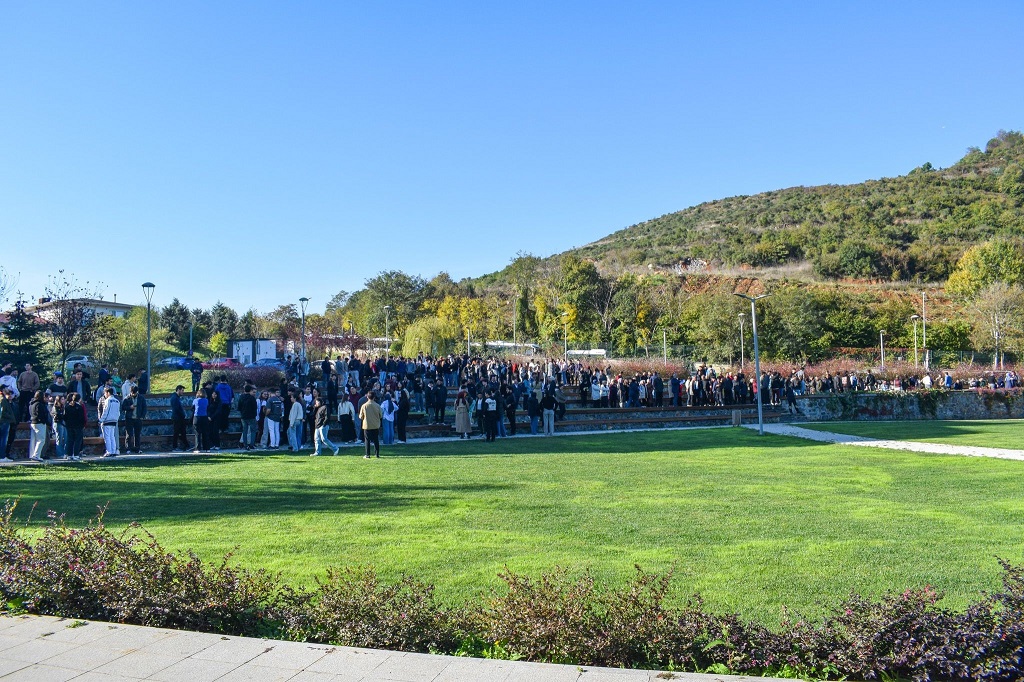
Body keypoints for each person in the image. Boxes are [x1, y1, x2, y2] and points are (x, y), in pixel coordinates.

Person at [358, 391, 382, 459]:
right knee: (376, 440)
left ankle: (367, 454)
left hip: (367, 425)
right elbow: (380, 415)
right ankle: (377, 454)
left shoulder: (364, 406)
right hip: (375, 425)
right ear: (374, 397)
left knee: (367, 440)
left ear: (367, 397)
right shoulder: (377, 405)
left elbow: (360, 416)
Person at [98, 387, 121, 457]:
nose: (105, 395)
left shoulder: (108, 400)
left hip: (107, 421)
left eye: (105, 393)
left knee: (107, 437)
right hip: (114, 421)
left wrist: (101, 420)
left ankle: (109, 451)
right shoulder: (117, 401)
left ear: (108, 393)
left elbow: (105, 411)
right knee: (112, 436)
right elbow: (118, 412)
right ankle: (113, 451)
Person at [28, 391, 49, 461]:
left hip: (33, 422)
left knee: (34, 440)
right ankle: (36, 455)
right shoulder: (39, 404)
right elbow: (40, 414)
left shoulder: (32, 404)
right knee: (41, 440)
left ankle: (33, 454)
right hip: (39, 423)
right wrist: (44, 421)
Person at [64, 392, 86, 460]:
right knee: (77, 440)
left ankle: (69, 454)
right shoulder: (79, 407)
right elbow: (81, 417)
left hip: (69, 425)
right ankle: (76, 454)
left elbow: (65, 416)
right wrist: (82, 425)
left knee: (70, 440)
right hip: (78, 426)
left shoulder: (67, 406)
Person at [238, 385, 258, 451]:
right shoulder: (252, 398)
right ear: (250, 390)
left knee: (245, 431)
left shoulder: (241, 397)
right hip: (251, 416)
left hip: (243, 416)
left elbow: (239, 407)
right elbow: (255, 407)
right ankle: (251, 444)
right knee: (253, 431)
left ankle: (245, 444)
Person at [122, 386, 141, 454]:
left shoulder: (141, 398)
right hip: (129, 418)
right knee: (129, 434)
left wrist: (142, 416)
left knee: (137, 434)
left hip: (138, 418)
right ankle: (128, 448)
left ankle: (137, 448)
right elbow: (123, 407)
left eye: (134, 393)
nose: (133, 394)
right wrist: (129, 407)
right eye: (132, 393)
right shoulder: (127, 398)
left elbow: (144, 407)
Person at [0, 388, 17, 462]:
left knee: (4, 440)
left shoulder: (5, 400)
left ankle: (3, 455)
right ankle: (2, 456)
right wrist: (11, 417)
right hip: (4, 422)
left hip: (5, 422)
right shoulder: (3, 400)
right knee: (3, 440)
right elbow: (3, 412)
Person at [170, 385, 188, 451]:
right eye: (182, 390)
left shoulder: (175, 397)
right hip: (177, 418)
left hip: (178, 417)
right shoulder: (175, 398)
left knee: (181, 432)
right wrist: (182, 414)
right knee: (177, 432)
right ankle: (175, 446)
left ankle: (186, 445)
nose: (183, 392)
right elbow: (176, 409)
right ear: (178, 390)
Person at [192, 388, 210, 453]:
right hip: (204, 417)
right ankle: (207, 448)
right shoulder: (206, 400)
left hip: (197, 417)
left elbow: (193, 408)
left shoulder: (195, 400)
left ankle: (198, 448)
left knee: (197, 433)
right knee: (205, 433)